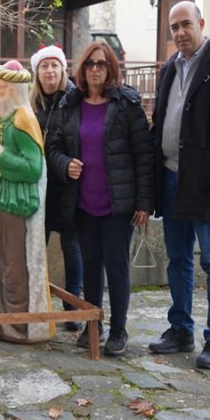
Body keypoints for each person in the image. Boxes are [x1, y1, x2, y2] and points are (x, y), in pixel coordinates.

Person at [147, 1, 210, 370]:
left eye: (186, 25)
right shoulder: (169, 69)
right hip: (172, 178)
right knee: (177, 258)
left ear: (201, 23)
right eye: (174, 27)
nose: (179, 33)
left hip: (208, 183)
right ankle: (180, 329)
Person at [47, 42, 155, 356]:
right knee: (91, 265)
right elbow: (52, 149)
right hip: (82, 203)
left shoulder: (126, 105)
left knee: (117, 266)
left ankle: (118, 329)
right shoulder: (70, 104)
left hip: (118, 205)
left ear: (111, 69)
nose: (96, 69)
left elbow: (143, 155)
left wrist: (144, 203)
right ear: (82, 69)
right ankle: (93, 326)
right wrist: (66, 164)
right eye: (91, 64)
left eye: (102, 64)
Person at [0, 61, 54, 343]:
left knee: (14, 264)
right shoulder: (10, 117)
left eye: (1, 88)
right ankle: (0, 322)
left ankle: (18, 324)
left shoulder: (24, 118)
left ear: (13, 90)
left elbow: (33, 167)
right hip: (5, 199)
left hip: (18, 203)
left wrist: (1, 156)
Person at [30, 44, 84, 331]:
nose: (49, 71)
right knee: (37, 247)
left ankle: (73, 304)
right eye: (44, 66)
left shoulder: (75, 101)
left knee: (71, 245)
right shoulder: (32, 103)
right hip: (39, 186)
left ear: (63, 69)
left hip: (68, 184)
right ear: (37, 72)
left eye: (54, 65)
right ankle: (37, 301)